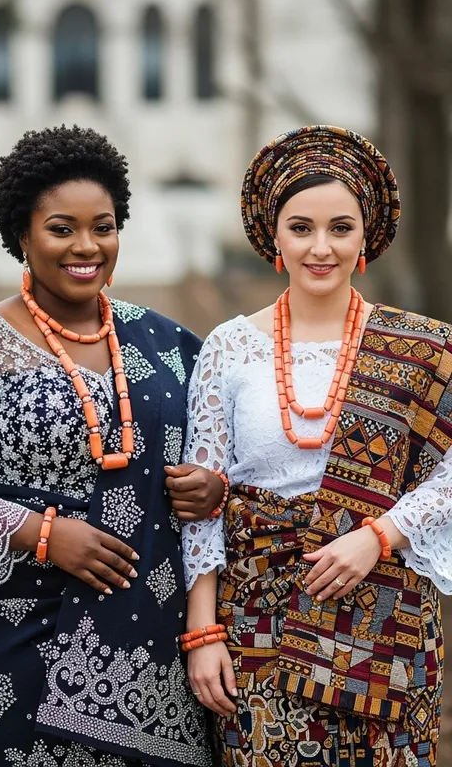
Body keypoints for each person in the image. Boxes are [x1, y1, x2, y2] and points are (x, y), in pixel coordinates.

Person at [0, 125, 222, 767]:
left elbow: (218, 450)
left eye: (103, 226)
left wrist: (213, 486)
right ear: (22, 234)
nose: (86, 246)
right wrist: (40, 533)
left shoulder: (170, 343)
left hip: (155, 645)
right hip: (19, 642)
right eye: (61, 228)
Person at [179, 125, 451, 766]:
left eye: (340, 228)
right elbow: (200, 502)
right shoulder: (230, 348)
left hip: (385, 623)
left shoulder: (421, 349)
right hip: (256, 625)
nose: (321, 248)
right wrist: (202, 631)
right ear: (273, 235)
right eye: (301, 227)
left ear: (367, 237)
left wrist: (379, 535)